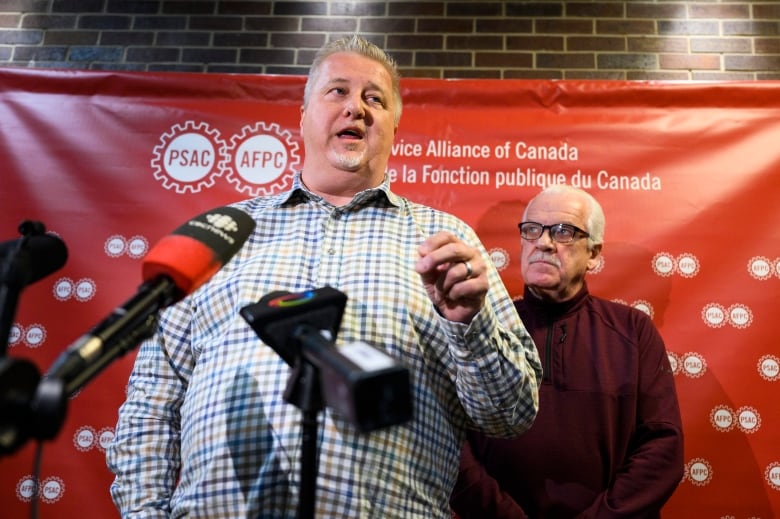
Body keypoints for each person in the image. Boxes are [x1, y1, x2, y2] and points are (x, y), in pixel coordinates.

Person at [106, 35, 542, 518]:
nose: (355, 108)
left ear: (395, 126)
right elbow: (151, 406)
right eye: (337, 92)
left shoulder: (445, 241)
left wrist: (468, 324)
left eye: (374, 98)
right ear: (303, 114)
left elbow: (511, 413)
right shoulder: (223, 236)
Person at [450, 184, 684, 518]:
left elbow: (662, 448)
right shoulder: (482, 328)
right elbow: (453, 444)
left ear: (593, 253)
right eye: (531, 230)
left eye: (563, 232)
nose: (543, 243)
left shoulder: (633, 331)